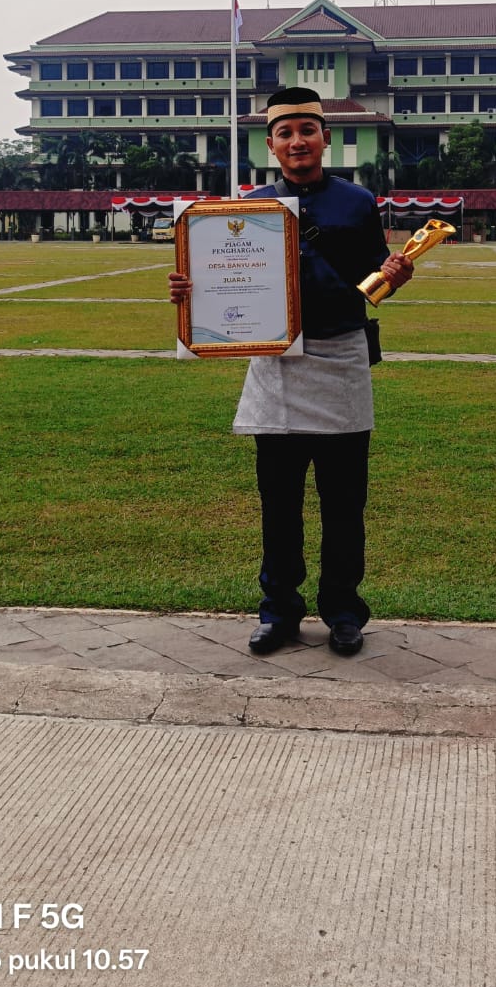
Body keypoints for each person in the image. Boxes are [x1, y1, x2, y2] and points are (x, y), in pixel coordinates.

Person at [168, 87, 413, 657]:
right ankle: (279, 610)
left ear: (325, 137)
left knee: (344, 504)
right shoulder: (249, 206)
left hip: (341, 359)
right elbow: (221, 276)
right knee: (278, 505)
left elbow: (372, 281)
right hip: (276, 365)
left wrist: (393, 277)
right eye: (285, 133)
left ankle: (343, 611)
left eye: (307, 130)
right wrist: (188, 290)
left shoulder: (357, 202)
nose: (297, 141)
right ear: (271, 144)